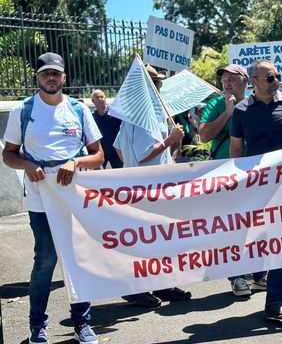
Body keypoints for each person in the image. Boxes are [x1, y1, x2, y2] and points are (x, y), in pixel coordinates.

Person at [2, 52, 104, 344]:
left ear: (64, 78)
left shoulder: (78, 109)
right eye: (45, 73)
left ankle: (82, 323)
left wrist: (77, 163)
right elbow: (8, 155)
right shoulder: (23, 110)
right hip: (40, 199)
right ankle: (37, 326)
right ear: (37, 77)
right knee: (45, 260)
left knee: (76, 261)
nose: (50, 77)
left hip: (73, 198)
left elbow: (98, 155)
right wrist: (27, 165)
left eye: (55, 73)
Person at [230, 59, 282, 320]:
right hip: (257, 187)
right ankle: (250, 280)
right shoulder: (242, 111)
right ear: (253, 81)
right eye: (269, 77)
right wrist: (238, 182)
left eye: (277, 76)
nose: (275, 80)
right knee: (260, 239)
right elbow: (236, 148)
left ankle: (280, 297)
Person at [113, 64, 192, 307]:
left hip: (150, 185)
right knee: (145, 240)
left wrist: (172, 147)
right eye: (157, 83)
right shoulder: (143, 117)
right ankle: (136, 288)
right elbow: (144, 154)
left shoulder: (137, 114)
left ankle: (161, 284)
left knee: (157, 239)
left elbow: (119, 149)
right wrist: (170, 140)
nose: (160, 87)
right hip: (146, 188)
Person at [197, 64, 267, 296]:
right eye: (224, 79)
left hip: (253, 173)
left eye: (232, 79)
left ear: (246, 81)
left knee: (257, 224)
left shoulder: (257, 102)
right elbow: (204, 135)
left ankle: (259, 275)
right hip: (225, 174)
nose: (226, 83)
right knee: (232, 227)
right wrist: (228, 113)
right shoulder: (216, 104)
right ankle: (236, 277)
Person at [91, 89, 123, 169]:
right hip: (100, 152)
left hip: (116, 151)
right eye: (97, 97)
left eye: (102, 97)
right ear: (93, 101)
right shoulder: (91, 117)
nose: (100, 99)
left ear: (105, 98)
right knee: (99, 178)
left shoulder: (115, 113)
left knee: (120, 176)